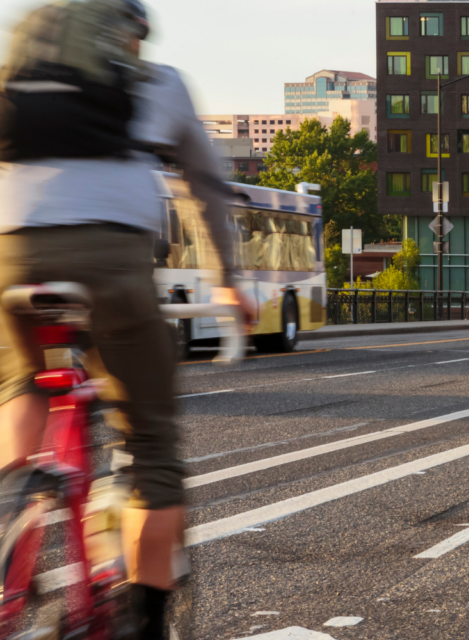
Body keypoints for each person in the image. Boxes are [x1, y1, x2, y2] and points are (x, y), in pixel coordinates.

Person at [0, 1, 251, 636]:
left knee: (22, 384)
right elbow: (209, 188)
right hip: (111, 262)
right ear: (131, 36)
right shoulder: (158, 84)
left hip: (12, 255)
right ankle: (143, 622)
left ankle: (11, 507)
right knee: (150, 448)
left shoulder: (16, 79)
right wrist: (228, 283)